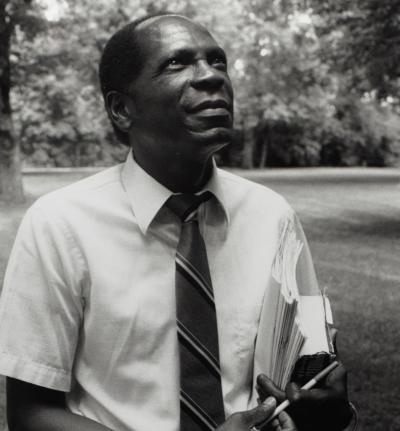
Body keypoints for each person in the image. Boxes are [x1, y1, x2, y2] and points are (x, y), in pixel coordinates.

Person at [0, 13, 353, 431]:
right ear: (121, 109)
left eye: (218, 61)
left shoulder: (274, 217)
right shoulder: (59, 225)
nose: (211, 77)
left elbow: (309, 365)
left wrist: (327, 408)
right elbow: (31, 413)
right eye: (177, 63)